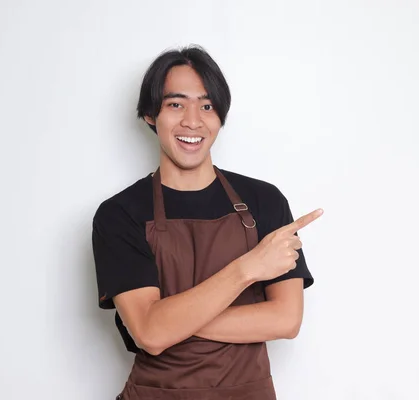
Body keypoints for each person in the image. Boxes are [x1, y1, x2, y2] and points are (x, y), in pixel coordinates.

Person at [91, 45, 323, 400]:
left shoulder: (265, 202)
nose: (193, 120)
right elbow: (150, 335)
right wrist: (249, 267)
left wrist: (171, 323)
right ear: (151, 115)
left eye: (207, 105)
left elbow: (286, 320)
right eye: (175, 104)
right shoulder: (120, 214)